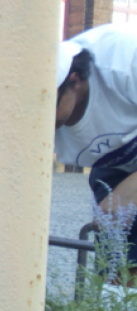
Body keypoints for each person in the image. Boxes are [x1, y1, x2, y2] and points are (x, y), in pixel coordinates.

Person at [56, 24, 137, 277]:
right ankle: (117, 310)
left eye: (48, 107)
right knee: (116, 261)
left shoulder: (122, 60)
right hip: (111, 164)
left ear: (74, 81)